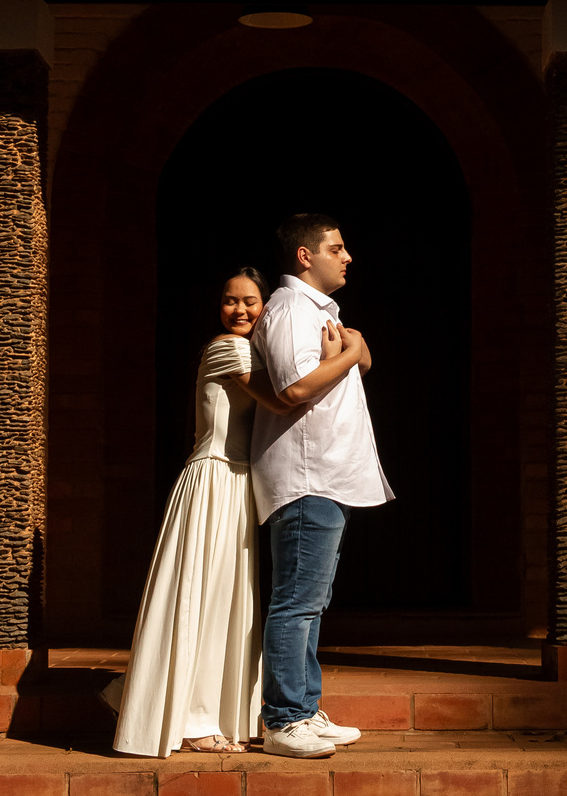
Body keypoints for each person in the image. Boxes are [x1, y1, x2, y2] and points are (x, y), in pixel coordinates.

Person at [107, 267, 323, 756]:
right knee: (201, 598)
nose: (240, 310)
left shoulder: (252, 350)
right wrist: (348, 355)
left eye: (250, 301)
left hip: (237, 482)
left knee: (223, 599)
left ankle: (171, 702)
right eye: (230, 301)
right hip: (215, 478)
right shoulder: (229, 348)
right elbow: (284, 400)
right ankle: (190, 718)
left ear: (265, 305)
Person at [249, 213, 393, 759]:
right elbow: (292, 388)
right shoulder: (289, 311)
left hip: (329, 474)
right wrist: (351, 353)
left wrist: (352, 352)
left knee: (311, 600)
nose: (348, 255)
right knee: (296, 603)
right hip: (307, 476)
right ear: (305, 256)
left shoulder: (318, 311)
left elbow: (360, 361)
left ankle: (304, 710)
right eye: (336, 247)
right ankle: (284, 720)